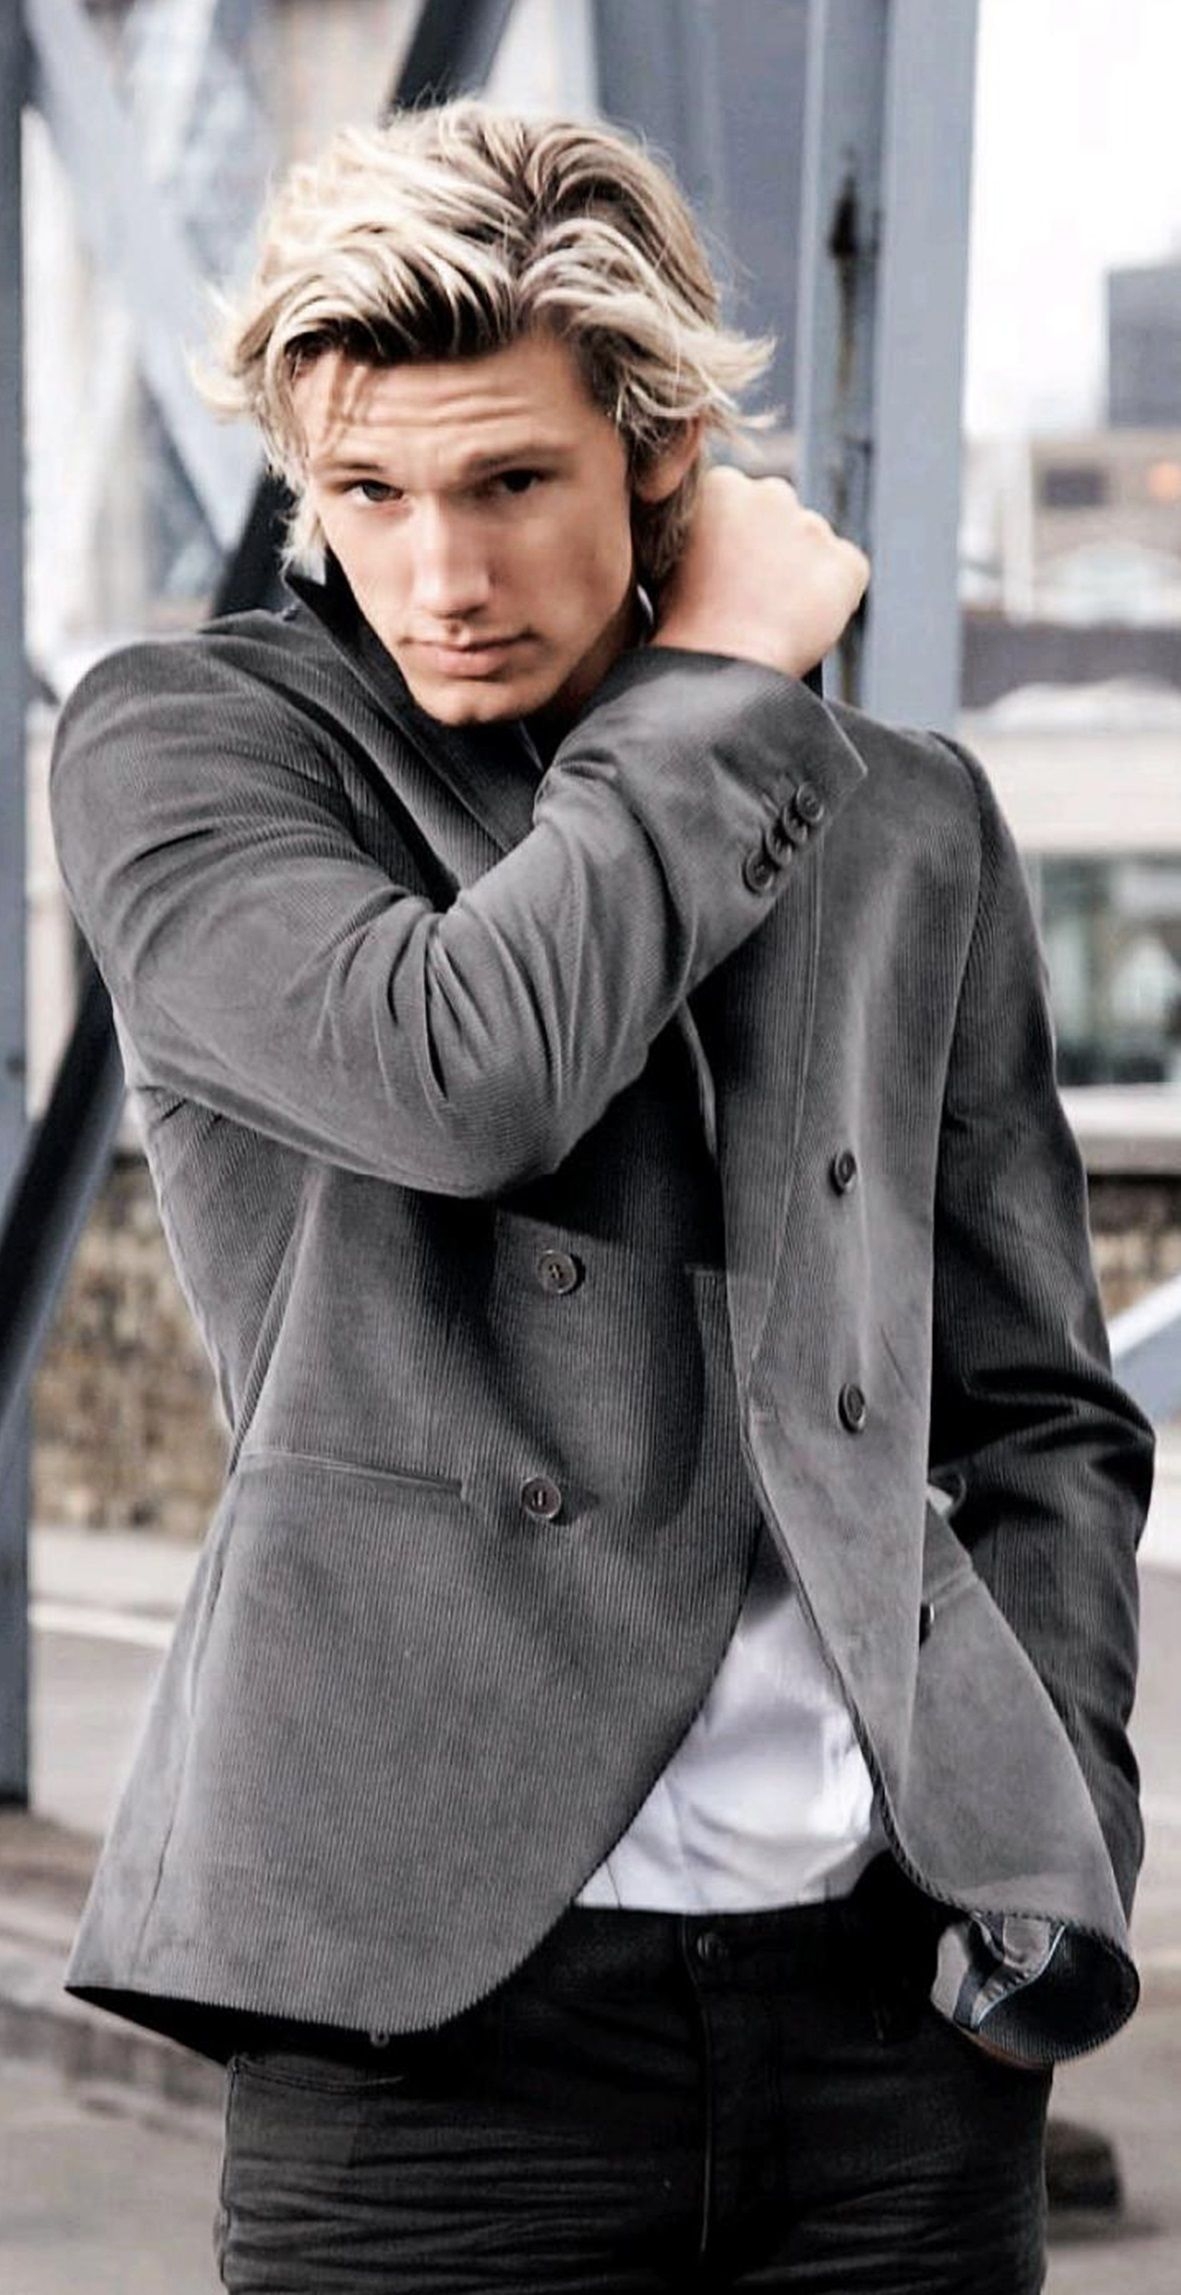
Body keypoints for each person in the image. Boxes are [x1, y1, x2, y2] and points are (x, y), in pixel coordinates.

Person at [50, 99, 1153, 2295]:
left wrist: (1052, 1836)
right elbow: (462, 1075)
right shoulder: (192, 751)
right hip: (432, 2027)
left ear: (661, 458)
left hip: (886, 2028)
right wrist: (720, 678)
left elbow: (1036, 1399)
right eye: (368, 492)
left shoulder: (902, 823)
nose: (439, 574)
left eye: (509, 483)